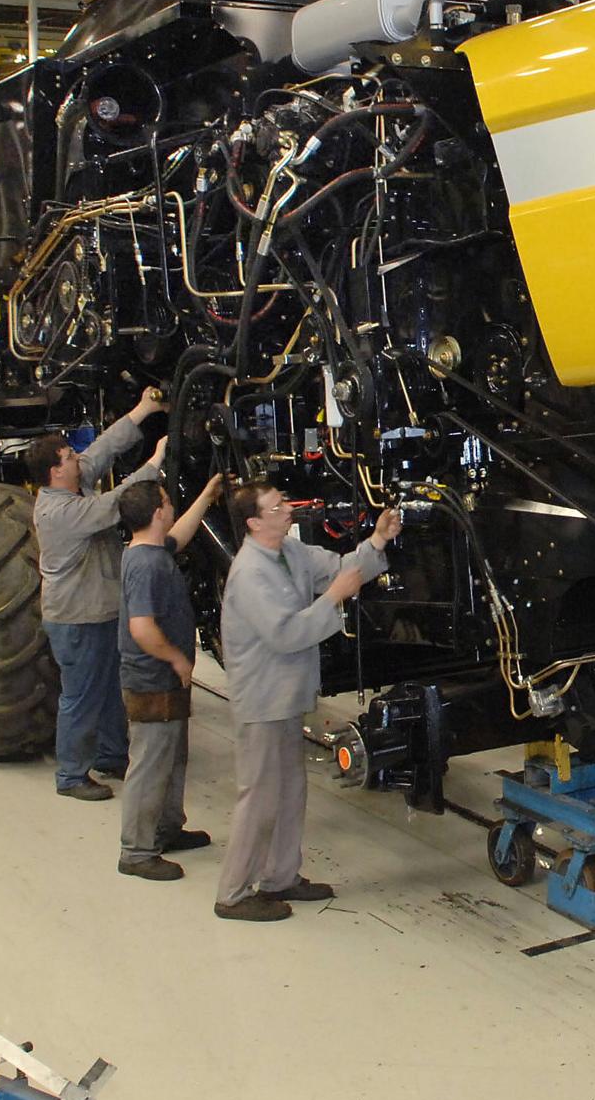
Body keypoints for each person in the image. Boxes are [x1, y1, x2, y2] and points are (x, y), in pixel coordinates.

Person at [213, 484, 400, 922]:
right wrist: (334, 597)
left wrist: (378, 539)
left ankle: (280, 876)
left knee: (290, 790)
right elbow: (285, 634)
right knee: (258, 796)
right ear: (254, 522)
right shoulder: (250, 573)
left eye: (284, 502)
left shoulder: (289, 553)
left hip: (285, 696)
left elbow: (339, 567)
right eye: (276, 507)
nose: (287, 510)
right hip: (262, 699)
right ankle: (233, 893)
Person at [30, 388, 167, 801]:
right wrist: (157, 462)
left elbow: (103, 449)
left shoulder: (72, 486)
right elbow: (118, 503)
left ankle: (112, 755)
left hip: (99, 612)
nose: (78, 459)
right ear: (56, 472)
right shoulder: (61, 513)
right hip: (76, 620)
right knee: (81, 695)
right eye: (70, 457)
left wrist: (143, 410)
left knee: (108, 689)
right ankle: (71, 775)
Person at [114, 471, 226, 881]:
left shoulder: (149, 549)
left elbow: (180, 534)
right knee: (149, 762)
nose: (172, 506)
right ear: (158, 511)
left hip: (164, 680)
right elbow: (142, 628)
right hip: (152, 678)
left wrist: (207, 495)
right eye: (168, 501)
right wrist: (178, 660)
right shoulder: (145, 565)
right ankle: (136, 851)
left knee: (172, 756)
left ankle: (166, 829)